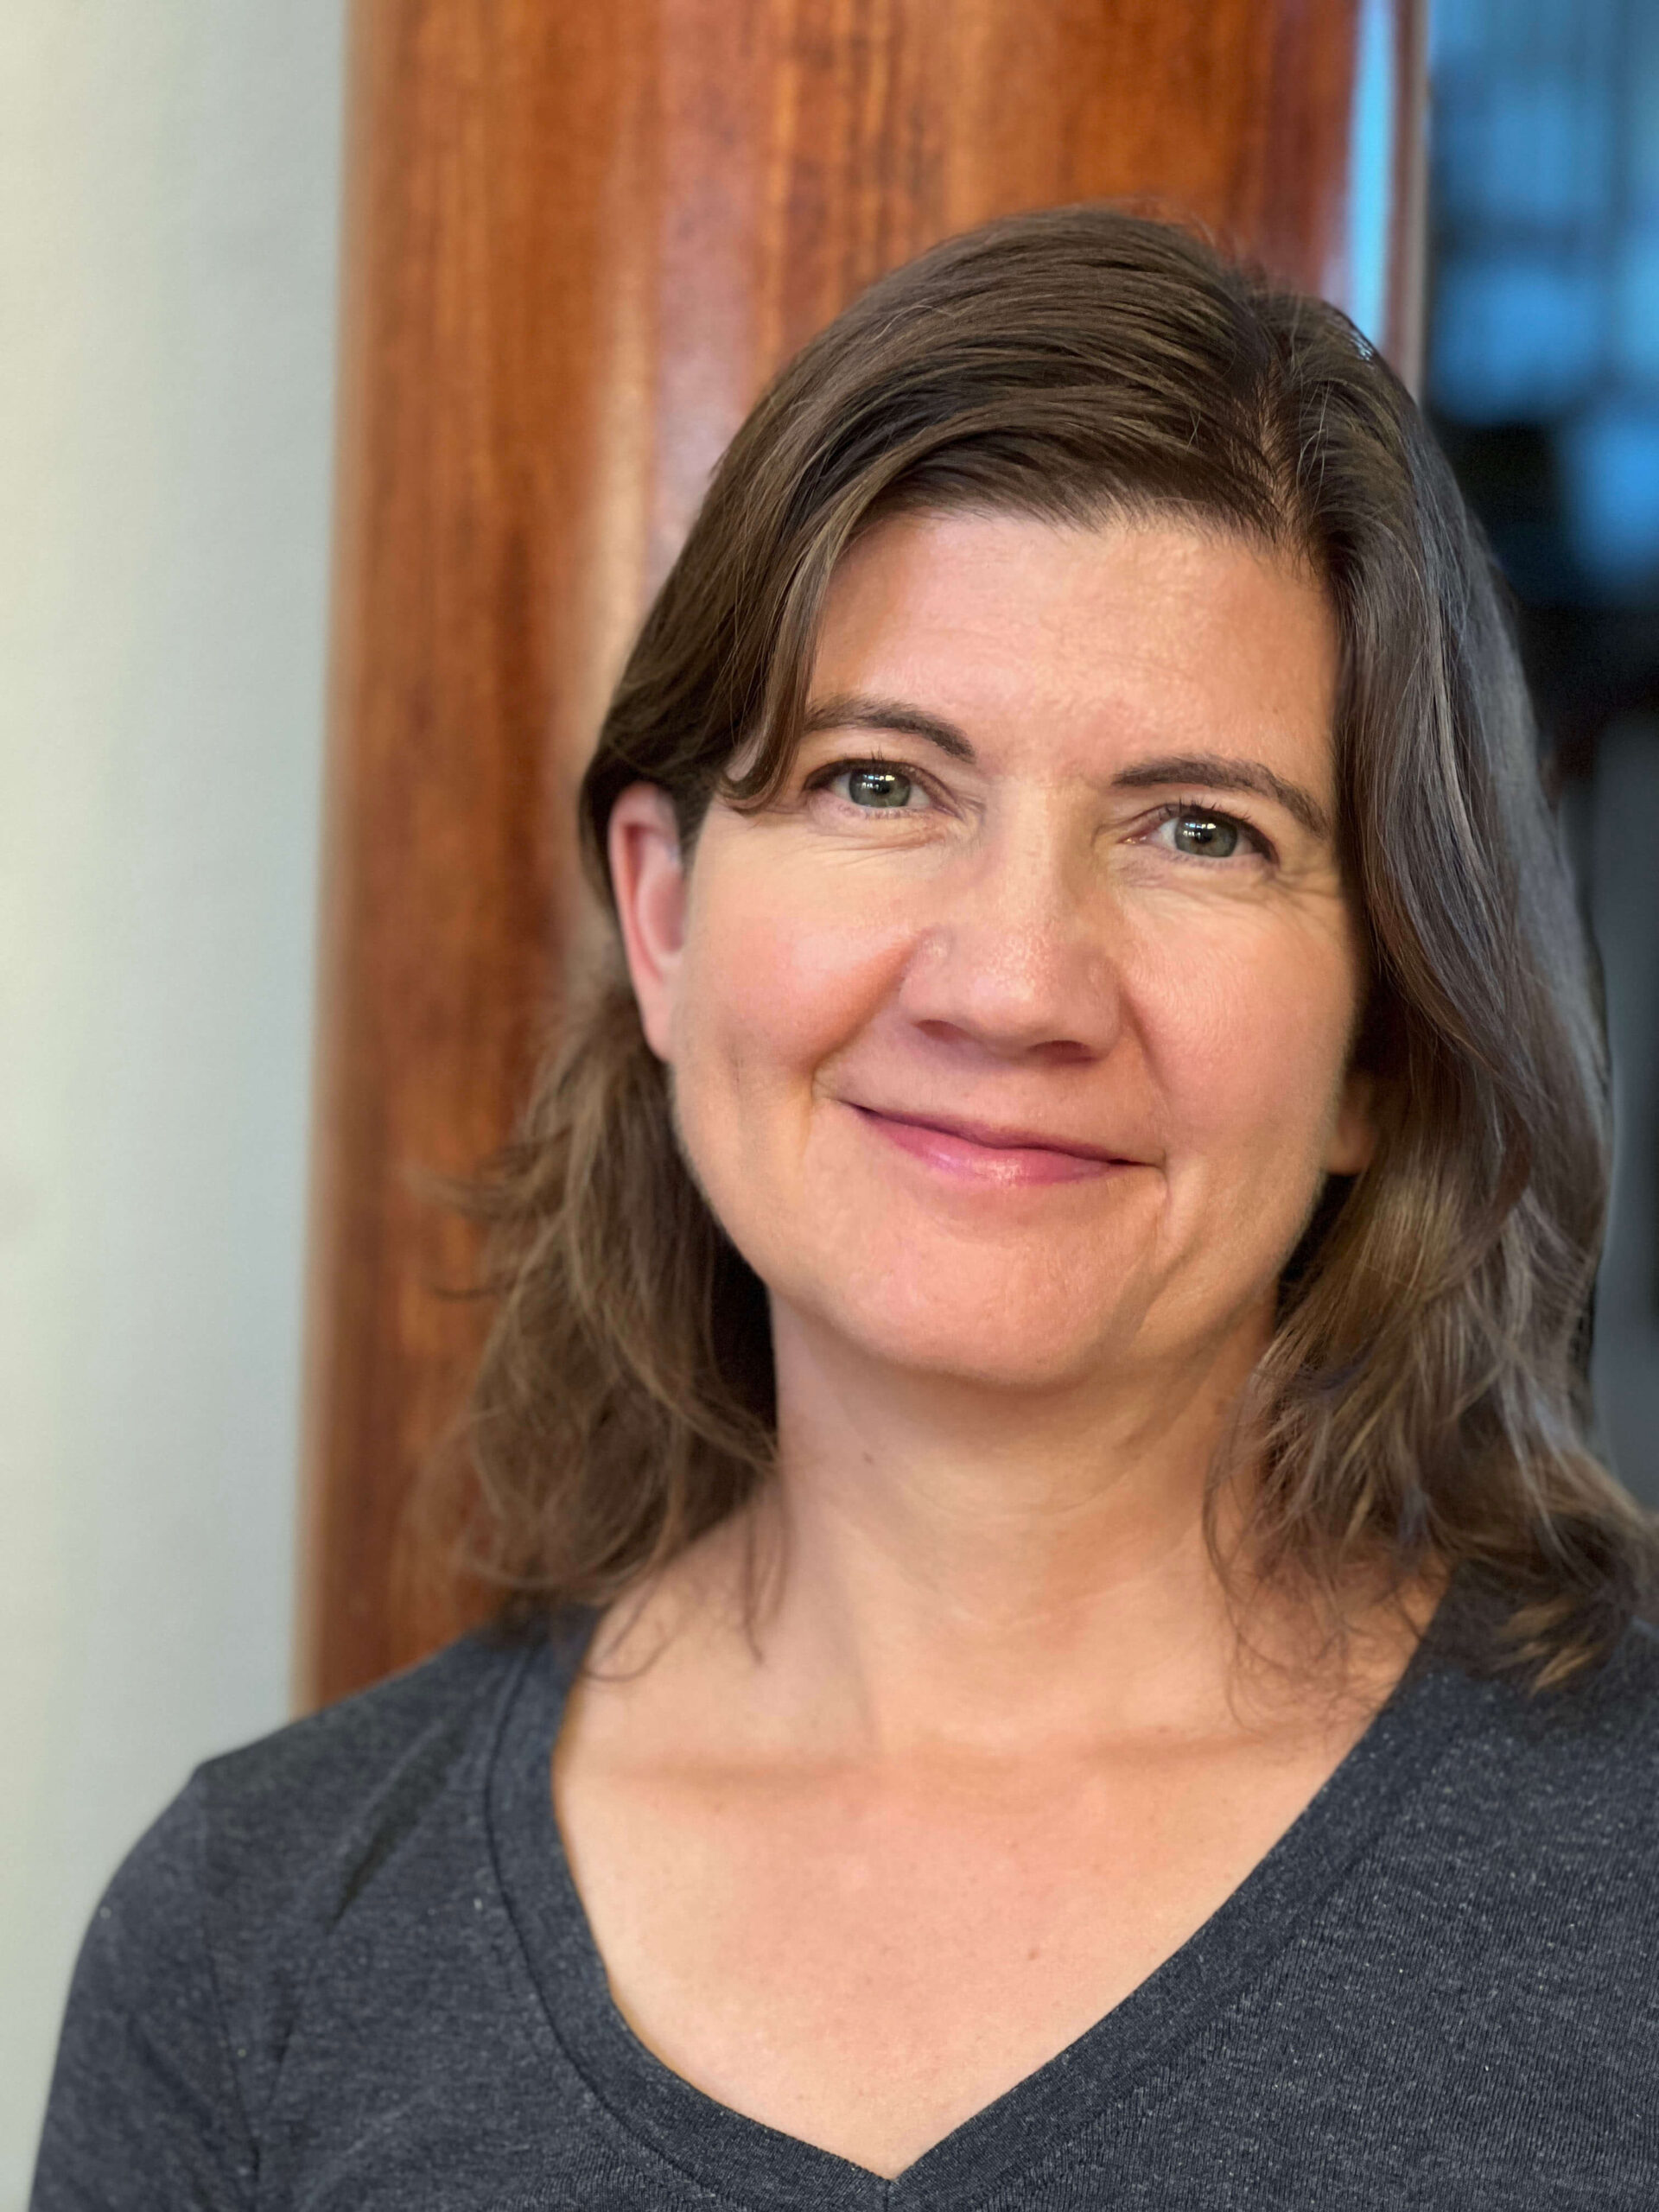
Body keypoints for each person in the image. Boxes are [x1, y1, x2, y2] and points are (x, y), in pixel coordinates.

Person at [31, 207, 1659, 2210]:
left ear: (1385, 1046)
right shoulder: (251, 1948)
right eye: (883, 783)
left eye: (1201, 830)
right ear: (663, 908)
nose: (1013, 981)